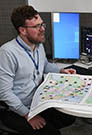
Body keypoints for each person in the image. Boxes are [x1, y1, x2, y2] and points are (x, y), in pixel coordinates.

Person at [0, 5, 76, 135]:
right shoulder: (7, 52)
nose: (42, 30)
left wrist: (61, 71)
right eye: (36, 27)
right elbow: (4, 93)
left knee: (68, 117)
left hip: (36, 101)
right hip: (15, 109)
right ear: (22, 30)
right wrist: (28, 115)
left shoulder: (38, 44)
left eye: (42, 24)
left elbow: (44, 65)